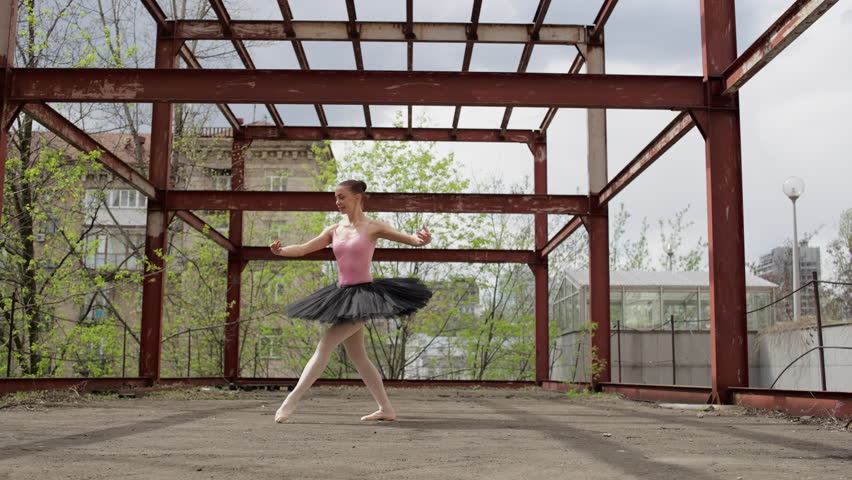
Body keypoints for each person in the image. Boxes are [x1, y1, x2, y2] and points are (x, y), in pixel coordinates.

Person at [269, 179, 433, 423]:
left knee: (325, 346)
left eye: (342, 197)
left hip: (363, 297)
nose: (337, 202)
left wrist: (422, 239)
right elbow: (304, 248)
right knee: (359, 357)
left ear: (357, 198)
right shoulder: (334, 230)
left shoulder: (372, 227)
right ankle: (385, 408)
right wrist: (281, 252)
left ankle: (291, 400)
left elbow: (410, 239)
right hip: (341, 295)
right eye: (336, 198)